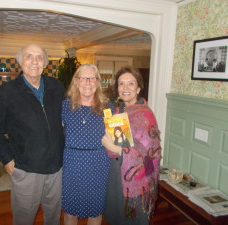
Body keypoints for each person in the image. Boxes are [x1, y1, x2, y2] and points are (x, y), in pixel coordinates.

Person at [0, 43, 65, 225]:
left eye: (39, 57)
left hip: (56, 167)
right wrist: (7, 159)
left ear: (45, 63)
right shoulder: (7, 92)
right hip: (26, 167)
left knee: (53, 216)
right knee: (24, 217)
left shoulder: (57, 87)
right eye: (29, 56)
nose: (34, 62)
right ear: (20, 61)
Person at [101, 66, 161, 225]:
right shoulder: (118, 110)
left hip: (135, 177)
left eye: (130, 84)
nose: (125, 88)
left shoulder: (146, 115)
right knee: (117, 215)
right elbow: (119, 141)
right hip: (116, 172)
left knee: (133, 218)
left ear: (139, 88)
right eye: (121, 84)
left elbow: (150, 154)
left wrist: (118, 150)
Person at [61, 63, 112, 225]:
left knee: (96, 212)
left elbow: (120, 139)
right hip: (71, 165)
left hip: (99, 165)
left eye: (92, 78)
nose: (88, 82)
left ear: (98, 82)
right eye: (83, 78)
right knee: (70, 211)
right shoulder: (65, 106)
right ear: (76, 82)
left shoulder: (108, 107)